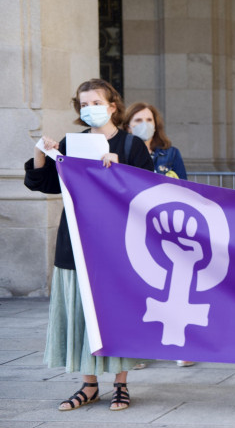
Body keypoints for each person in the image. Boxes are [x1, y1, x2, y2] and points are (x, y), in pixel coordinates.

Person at [24, 79, 154, 411]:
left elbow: (147, 190)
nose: (89, 108)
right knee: (80, 310)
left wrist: (117, 168)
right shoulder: (71, 143)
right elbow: (46, 184)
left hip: (117, 241)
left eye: (95, 102)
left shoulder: (131, 145)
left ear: (112, 105)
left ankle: (121, 385)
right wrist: (42, 153)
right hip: (77, 238)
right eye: (83, 104)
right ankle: (89, 385)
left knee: (117, 309)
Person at [123, 102, 193, 369]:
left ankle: (178, 344)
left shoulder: (169, 153)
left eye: (149, 119)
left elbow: (185, 187)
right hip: (133, 224)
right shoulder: (123, 149)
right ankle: (139, 348)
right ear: (127, 125)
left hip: (166, 225)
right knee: (137, 285)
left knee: (172, 284)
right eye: (138, 119)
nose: (145, 124)